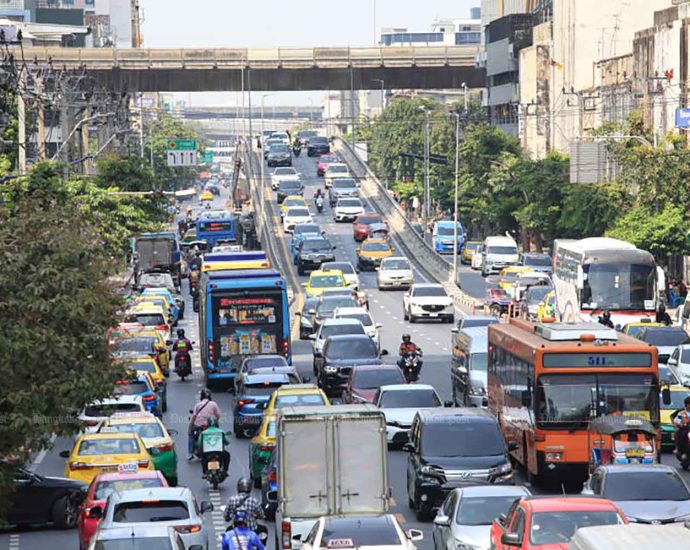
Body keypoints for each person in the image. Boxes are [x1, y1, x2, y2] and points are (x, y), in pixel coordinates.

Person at [188, 389, 222, 461]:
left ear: (201, 396)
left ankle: (190, 453)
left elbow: (193, 417)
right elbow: (218, 416)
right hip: (210, 425)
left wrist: (189, 429)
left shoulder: (198, 405)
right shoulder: (214, 404)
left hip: (198, 425)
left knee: (191, 435)